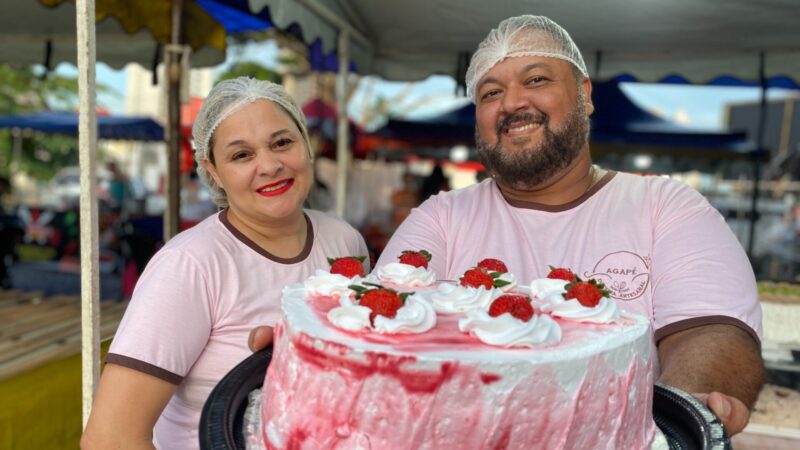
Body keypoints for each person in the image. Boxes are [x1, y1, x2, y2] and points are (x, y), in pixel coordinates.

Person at [248, 15, 765, 438]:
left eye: (536, 79)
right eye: (491, 92)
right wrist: (319, 344)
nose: (513, 102)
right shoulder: (441, 217)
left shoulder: (666, 207)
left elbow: (712, 330)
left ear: (584, 93)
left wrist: (681, 408)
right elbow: (380, 327)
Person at [81, 77, 369, 449]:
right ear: (212, 170)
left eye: (282, 142)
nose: (269, 165)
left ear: (306, 144)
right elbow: (110, 438)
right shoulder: (190, 265)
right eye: (241, 155)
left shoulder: (344, 241)